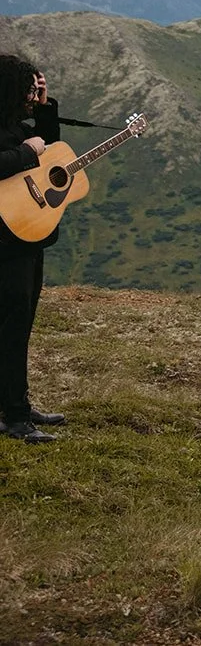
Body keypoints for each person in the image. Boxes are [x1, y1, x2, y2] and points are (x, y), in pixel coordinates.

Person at [0, 56, 64, 443]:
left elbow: (51, 150)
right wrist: (28, 151)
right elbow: (26, 154)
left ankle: (14, 404)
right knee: (11, 325)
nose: (30, 95)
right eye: (26, 89)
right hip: (5, 246)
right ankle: (17, 419)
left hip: (26, 239)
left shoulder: (12, 125)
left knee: (18, 325)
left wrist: (45, 107)